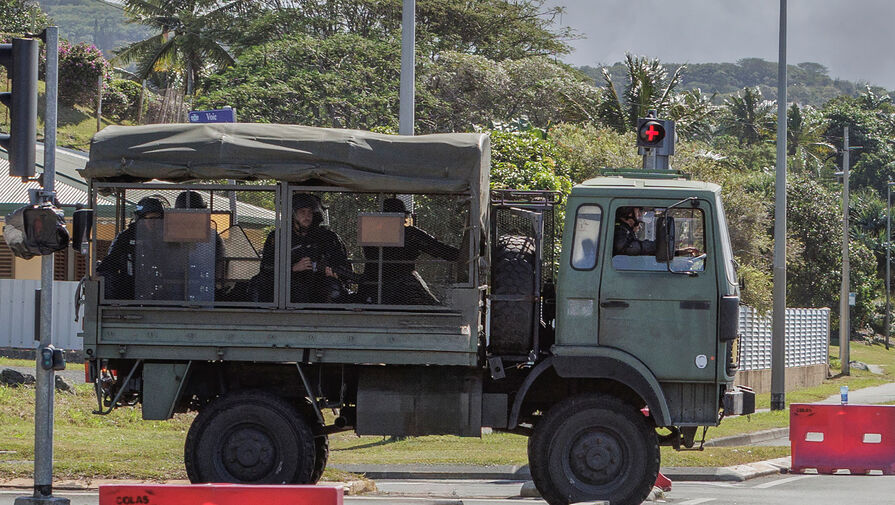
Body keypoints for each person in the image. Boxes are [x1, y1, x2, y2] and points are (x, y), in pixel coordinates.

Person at [361, 198, 460, 305]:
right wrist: (465, 254)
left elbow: (439, 249)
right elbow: (440, 249)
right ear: (402, 216)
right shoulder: (410, 234)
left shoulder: (372, 234)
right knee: (435, 309)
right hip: (402, 287)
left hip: (372, 288)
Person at [257, 193, 350, 303]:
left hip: (319, 287)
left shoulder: (327, 237)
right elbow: (266, 267)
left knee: (334, 290)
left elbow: (343, 264)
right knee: (258, 283)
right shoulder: (278, 237)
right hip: (287, 288)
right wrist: (292, 268)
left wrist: (334, 274)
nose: (307, 216)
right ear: (293, 214)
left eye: (310, 212)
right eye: (302, 212)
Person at [96, 197, 164, 299]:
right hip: (130, 294)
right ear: (140, 219)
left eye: (158, 219)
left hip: (162, 294)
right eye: (150, 219)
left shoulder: (167, 237)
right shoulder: (126, 237)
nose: (154, 223)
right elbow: (110, 262)